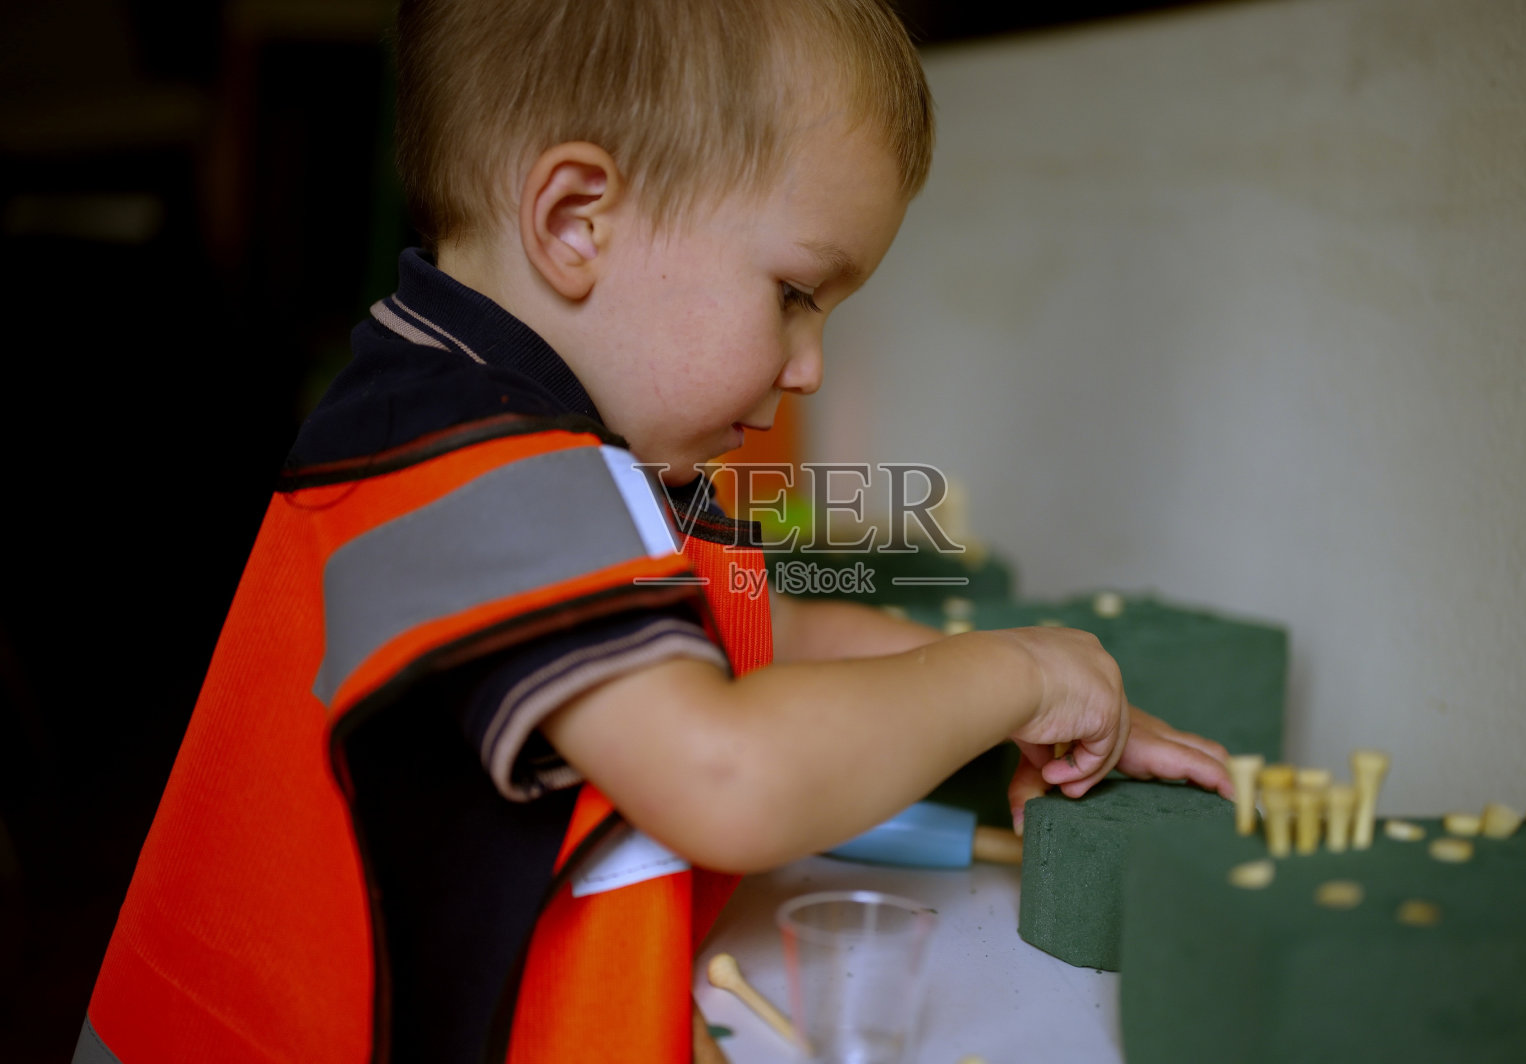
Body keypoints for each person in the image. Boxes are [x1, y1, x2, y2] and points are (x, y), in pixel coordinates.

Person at [74, 2, 1233, 1062]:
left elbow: (771, 633)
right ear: (577, 219)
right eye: (793, 292)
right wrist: (1013, 675)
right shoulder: (462, 468)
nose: (808, 362)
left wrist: (1055, 701)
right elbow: (726, 772)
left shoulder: (507, 423)